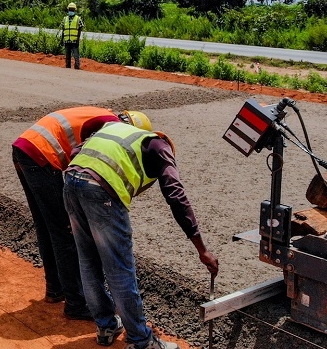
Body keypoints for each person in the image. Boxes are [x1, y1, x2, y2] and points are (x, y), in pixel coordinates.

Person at [64, 117, 219, 349]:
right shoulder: (160, 146)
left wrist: (78, 206)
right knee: (119, 268)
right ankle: (140, 341)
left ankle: (106, 326)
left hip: (72, 181)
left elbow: (77, 151)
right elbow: (176, 195)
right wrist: (202, 249)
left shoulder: (114, 131)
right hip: (100, 191)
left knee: (88, 261)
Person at [13, 107, 149, 320]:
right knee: (64, 232)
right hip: (41, 155)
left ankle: (55, 288)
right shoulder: (108, 125)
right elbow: (86, 161)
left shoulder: (103, 116)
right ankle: (76, 302)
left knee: (46, 225)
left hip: (25, 148)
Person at [62, 2, 85, 69]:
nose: (71, 11)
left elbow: (80, 28)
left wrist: (78, 39)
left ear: (75, 10)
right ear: (68, 10)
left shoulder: (78, 18)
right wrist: (62, 39)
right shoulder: (65, 19)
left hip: (74, 40)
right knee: (67, 56)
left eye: (72, 9)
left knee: (76, 55)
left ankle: (77, 67)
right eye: (70, 9)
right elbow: (63, 29)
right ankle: (68, 67)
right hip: (67, 40)